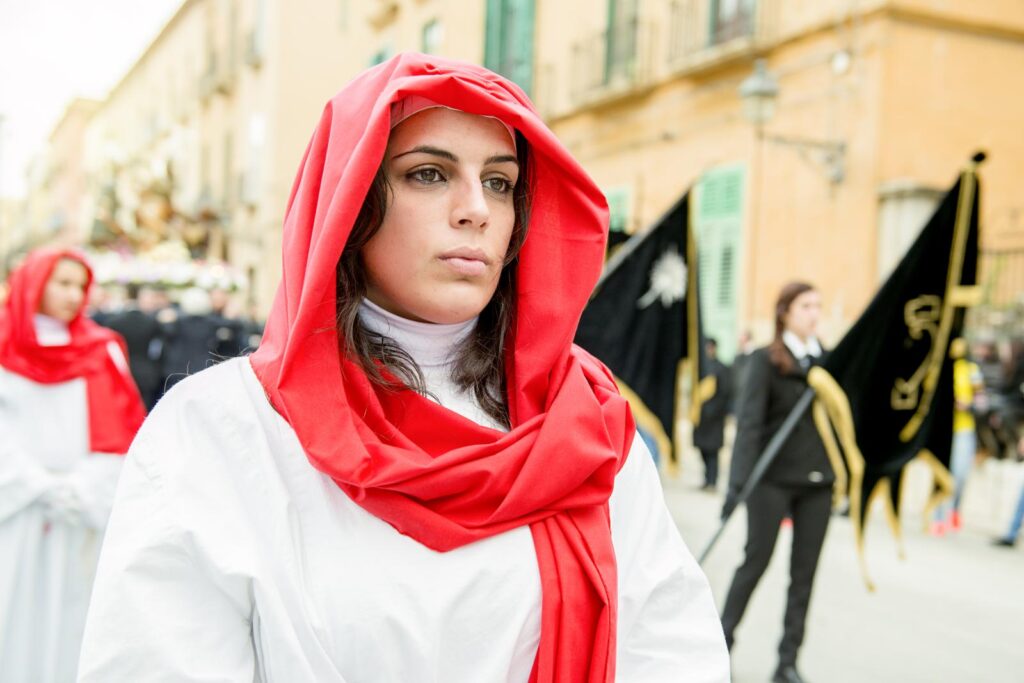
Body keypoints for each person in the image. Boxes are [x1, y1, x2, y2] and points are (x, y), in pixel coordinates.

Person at [77, 54, 729, 682]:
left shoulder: (586, 421)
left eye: (500, 182)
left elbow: (671, 646)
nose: (475, 207)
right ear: (351, 203)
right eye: (429, 173)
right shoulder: (217, 431)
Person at [0, 249, 146, 682]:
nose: (72, 294)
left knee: (73, 617)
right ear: (33, 283)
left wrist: (81, 490)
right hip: (16, 510)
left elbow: (120, 428)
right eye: (61, 283)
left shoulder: (100, 350)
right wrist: (33, 486)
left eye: (79, 286)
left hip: (80, 510)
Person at [720, 282, 834, 683]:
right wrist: (736, 487)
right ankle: (719, 644)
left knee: (803, 576)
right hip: (771, 480)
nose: (814, 313)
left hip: (818, 482)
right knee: (756, 561)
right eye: (806, 305)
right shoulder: (765, 361)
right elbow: (749, 425)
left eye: (818, 306)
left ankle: (788, 661)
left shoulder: (828, 362)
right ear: (785, 311)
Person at [931, 337, 983, 534]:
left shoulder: (972, 371)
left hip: (964, 428)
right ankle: (937, 517)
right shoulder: (942, 370)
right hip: (944, 429)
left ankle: (954, 509)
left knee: (960, 474)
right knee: (941, 472)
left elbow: (982, 402)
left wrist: (967, 406)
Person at [102, 284, 166, 409]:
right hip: (146, 372)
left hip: (122, 371)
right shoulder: (152, 322)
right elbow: (158, 350)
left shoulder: (113, 322)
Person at [693, 338, 732, 490]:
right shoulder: (700, 367)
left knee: (713, 451)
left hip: (715, 417)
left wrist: (714, 411)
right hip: (701, 417)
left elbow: (725, 393)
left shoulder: (721, 368)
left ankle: (712, 481)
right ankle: (706, 479)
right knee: (703, 449)